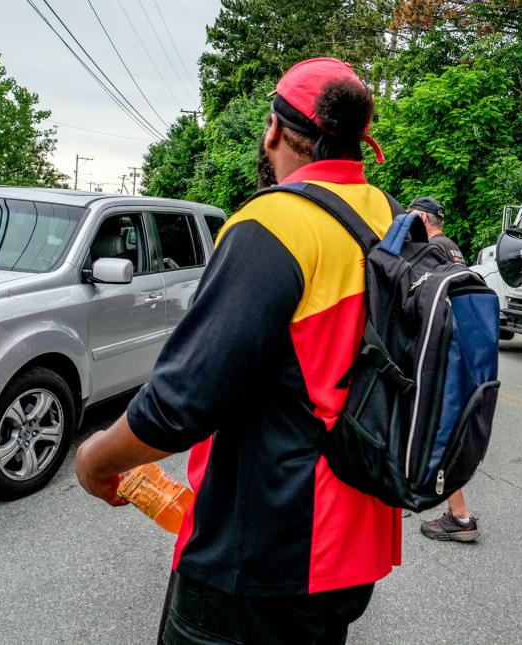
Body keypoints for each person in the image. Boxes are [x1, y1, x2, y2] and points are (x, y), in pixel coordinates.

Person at [75, 58, 400, 645]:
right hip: (357, 542)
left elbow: (181, 402)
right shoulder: (386, 215)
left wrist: (98, 460)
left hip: (264, 551)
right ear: (358, 141)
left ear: (274, 131)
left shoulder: (275, 223)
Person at [405, 196, 479, 542]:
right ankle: (410, 489)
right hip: (463, 347)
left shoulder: (431, 249)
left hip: (442, 351)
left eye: (410, 217)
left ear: (423, 218)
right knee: (434, 427)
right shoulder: (452, 248)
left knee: (437, 429)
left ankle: (461, 517)